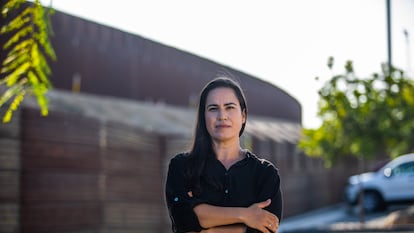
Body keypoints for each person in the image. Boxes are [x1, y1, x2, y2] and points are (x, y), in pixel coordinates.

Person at [165, 76, 282, 233]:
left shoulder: (265, 174)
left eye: (230, 107)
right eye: (213, 108)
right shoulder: (181, 167)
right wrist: (245, 216)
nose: (222, 116)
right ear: (203, 117)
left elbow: (266, 229)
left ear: (243, 116)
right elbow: (184, 220)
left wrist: (206, 228)